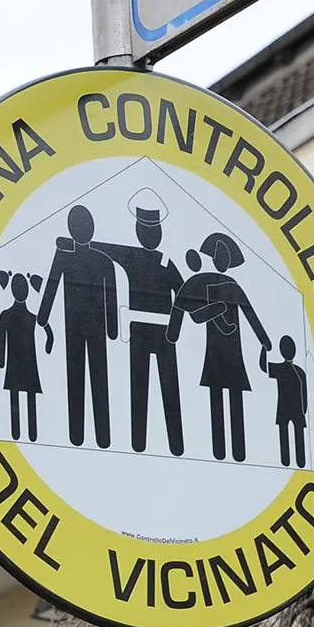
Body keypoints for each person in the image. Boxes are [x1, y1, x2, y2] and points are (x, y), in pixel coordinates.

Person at [94, 192, 186, 454]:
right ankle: (139, 444)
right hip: (141, 330)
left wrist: (177, 326)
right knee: (140, 386)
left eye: (152, 229)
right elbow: (105, 248)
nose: (150, 234)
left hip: (162, 331)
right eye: (146, 229)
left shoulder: (164, 261)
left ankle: (174, 445)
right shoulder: (133, 256)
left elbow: (184, 294)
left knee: (166, 387)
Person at [175, 233, 272, 462]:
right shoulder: (202, 282)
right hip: (216, 351)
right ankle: (222, 451)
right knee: (218, 397)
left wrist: (264, 341)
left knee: (231, 398)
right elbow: (186, 309)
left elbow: (250, 314)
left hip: (232, 352)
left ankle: (235, 452)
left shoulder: (229, 285)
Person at [36, 205, 119, 448]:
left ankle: (87, 436)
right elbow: (52, 287)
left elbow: (110, 295)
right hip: (83, 327)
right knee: (91, 377)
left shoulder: (73, 257)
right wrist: (113, 328)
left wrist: (42, 317)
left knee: (85, 377)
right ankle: (91, 437)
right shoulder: (99, 260)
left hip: (83, 327)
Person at [0, 270, 52, 441]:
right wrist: (1, 360)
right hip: (21, 362)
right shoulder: (12, 315)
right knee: (18, 397)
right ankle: (20, 434)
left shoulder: (28, 316)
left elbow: (48, 330)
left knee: (25, 397)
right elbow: (1, 338)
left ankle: (29, 434)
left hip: (26, 362)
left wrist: (1, 360)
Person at [263, 336, 312, 467]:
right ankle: (286, 461)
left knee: (296, 435)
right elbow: (264, 368)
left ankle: (299, 462)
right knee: (286, 434)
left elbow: (304, 391)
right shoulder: (290, 370)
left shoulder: (298, 371)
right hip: (287, 409)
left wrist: (304, 409)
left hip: (293, 410)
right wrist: (263, 350)